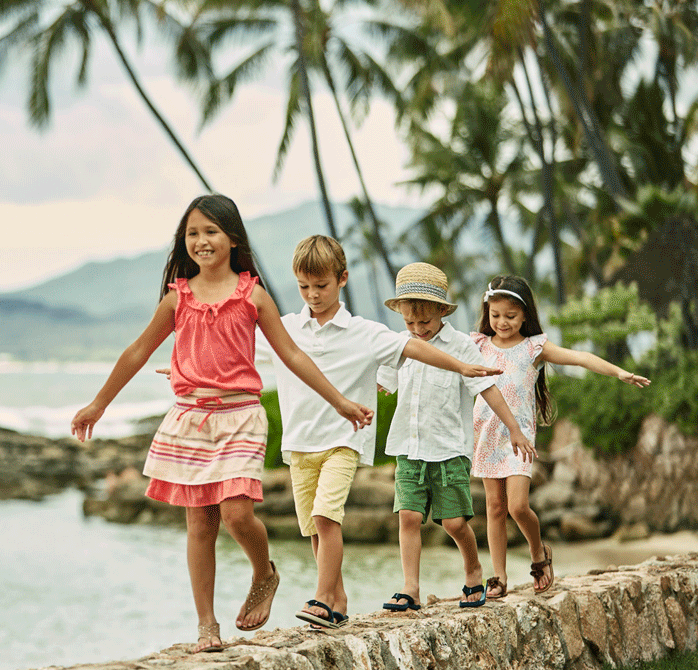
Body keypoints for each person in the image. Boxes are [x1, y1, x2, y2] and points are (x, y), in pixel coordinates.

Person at [70, 196, 373, 653]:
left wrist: (339, 402)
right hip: (190, 419)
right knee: (200, 526)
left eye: (210, 231)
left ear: (233, 238)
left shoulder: (252, 295)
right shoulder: (178, 297)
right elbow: (137, 351)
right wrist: (99, 404)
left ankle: (263, 571)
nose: (201, 241)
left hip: (240, 416)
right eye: (192, 233)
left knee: (236, 512)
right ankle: (206, 626)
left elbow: (291, 355)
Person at [256, 237, 501, 630]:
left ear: (342, 279)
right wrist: (195, 372)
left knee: (328, 517)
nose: (313, 295)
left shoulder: (364, 332)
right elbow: (241, 352)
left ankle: (323, 599)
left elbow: (413, 349)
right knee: (318, 530)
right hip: (300, 443)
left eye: (321, 286)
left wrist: (459, 367)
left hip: (347, 439)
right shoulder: (285, 329)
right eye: (304, 287)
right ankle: (337, 599)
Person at [472, 275, 651, 599]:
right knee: (495, 508)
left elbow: (580, 357)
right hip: (486, 434)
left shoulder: (534, 347)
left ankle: (539, 551)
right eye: (495, 315)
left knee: (518, 506)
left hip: (519, 438)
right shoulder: (478, 345)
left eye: (510, 316)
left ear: (525, 315)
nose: (502, 322)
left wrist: (618, 372)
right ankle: (498, 577)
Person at [376, 263, 532, 613]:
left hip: (448, 449)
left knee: (454, 522)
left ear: (442, 311)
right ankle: (410, 588)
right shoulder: (401, 345)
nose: (417, 330)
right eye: (410, 323)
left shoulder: (461, 347)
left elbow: (488, 388)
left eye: (425, 323)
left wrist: (515, 429)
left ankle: (474, 569)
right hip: (409, 447)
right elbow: (380, 382)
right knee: (409, 517)